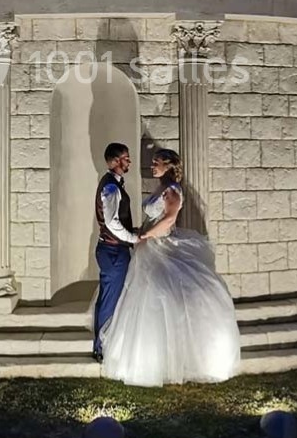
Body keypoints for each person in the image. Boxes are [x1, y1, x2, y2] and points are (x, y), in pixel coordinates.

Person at [101, 148, 241, 387]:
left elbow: (169, 218)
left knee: (161, 297)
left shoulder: (173, 190)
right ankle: (147, 357)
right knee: (144, 299)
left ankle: (173, 357)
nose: (152, 166)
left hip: (161, 246)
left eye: (156, 163)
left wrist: (145, 236)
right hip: (150, 247)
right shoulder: (161, 188)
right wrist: (140, 232)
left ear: (169, 165)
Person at [92, 142, 142, 362]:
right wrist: (133, 238)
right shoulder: (111, 187)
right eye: (125, 158)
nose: (128, 161)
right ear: (114, 161)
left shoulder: (114, 184)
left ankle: (105, 343)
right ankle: (101, 347)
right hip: (113, 250)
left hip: (112, 249)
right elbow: (112, 222)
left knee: (109, 298)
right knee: (110, 299)